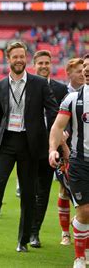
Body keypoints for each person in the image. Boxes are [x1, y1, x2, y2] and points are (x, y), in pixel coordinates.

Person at [0, 41, 58, 255]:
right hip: (5, 144)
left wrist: (53, 137)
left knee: (28, 194)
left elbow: (53, 112)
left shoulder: (40, 83)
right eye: (15, 57)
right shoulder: (1, 86)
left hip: (31, 146)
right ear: (8, 60)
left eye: (22, 56)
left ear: (26, 58)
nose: (19, 60)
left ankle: (23, 240)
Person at [48, 54, 89, 268]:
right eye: (85, 66)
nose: (87, 70)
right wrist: (52, 149)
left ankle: (82, 238)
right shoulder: (72, 99)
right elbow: (57, 127)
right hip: (79, 161)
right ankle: (79, 257)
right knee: (84, 210)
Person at [29, 50, 68, 248]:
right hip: (28, 147)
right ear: (34, 65)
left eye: (47, 62)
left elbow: (67, 117)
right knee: (29, 190)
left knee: (43, 191)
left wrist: (64, 137)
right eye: (40, 63)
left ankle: (35, 232)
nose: (44, 66)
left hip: (49, 149)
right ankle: (25, 230)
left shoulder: (61, 89)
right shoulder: (27, 86)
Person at [58, 57, 85, 245]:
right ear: (69, 73)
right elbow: (57, 124)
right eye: (78, 71)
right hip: (64, 150)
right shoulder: (63, 93)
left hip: (82, 151)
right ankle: (66, 232)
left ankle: (79, 230)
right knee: (64, 190)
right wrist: (62, 147)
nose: (82, 74)